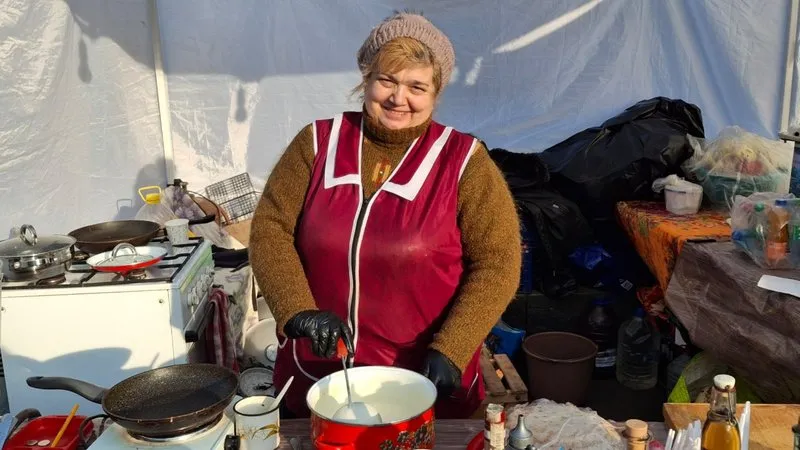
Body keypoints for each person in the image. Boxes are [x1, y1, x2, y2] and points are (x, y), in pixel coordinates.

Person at [249, 11, 521, 419]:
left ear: (436, 92)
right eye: (387, 80)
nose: (398, 98)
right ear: (366, 78)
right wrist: (296, 308)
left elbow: (498, 263)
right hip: (320, 372)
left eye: (417, 86)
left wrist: (454, 347)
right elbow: (270, 229)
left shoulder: (463, 162)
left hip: (424, 374)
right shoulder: (318, 144)